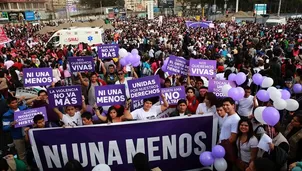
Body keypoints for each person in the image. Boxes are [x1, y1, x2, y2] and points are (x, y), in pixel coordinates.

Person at [2, 97, 28, 167]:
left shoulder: (24, 108)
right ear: (8, 104)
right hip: (17, 136)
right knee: (22, 154)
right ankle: (25, 167)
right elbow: (4, 128)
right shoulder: (6, 115)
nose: (15, 104)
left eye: (16, 102)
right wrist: (11, 124)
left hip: (28, 133)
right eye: (12, 103)